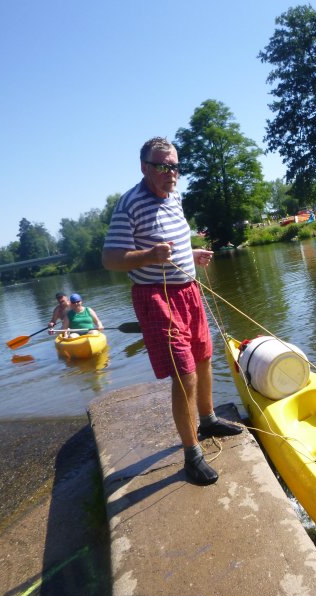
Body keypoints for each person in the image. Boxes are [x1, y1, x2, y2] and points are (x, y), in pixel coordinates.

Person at [102, 136, 243, 486]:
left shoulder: (175, 196)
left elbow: (173, 240)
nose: (171, 173)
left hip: (189, 290)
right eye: (163, 166)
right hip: (156, 296)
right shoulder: (129, 204)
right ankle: (192, 455)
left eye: (175, 166)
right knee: (184, 372)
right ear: (144, 167)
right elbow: (111, 259)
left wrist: (190, 254)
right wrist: (149, 256)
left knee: (204, 356)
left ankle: (208, 420)